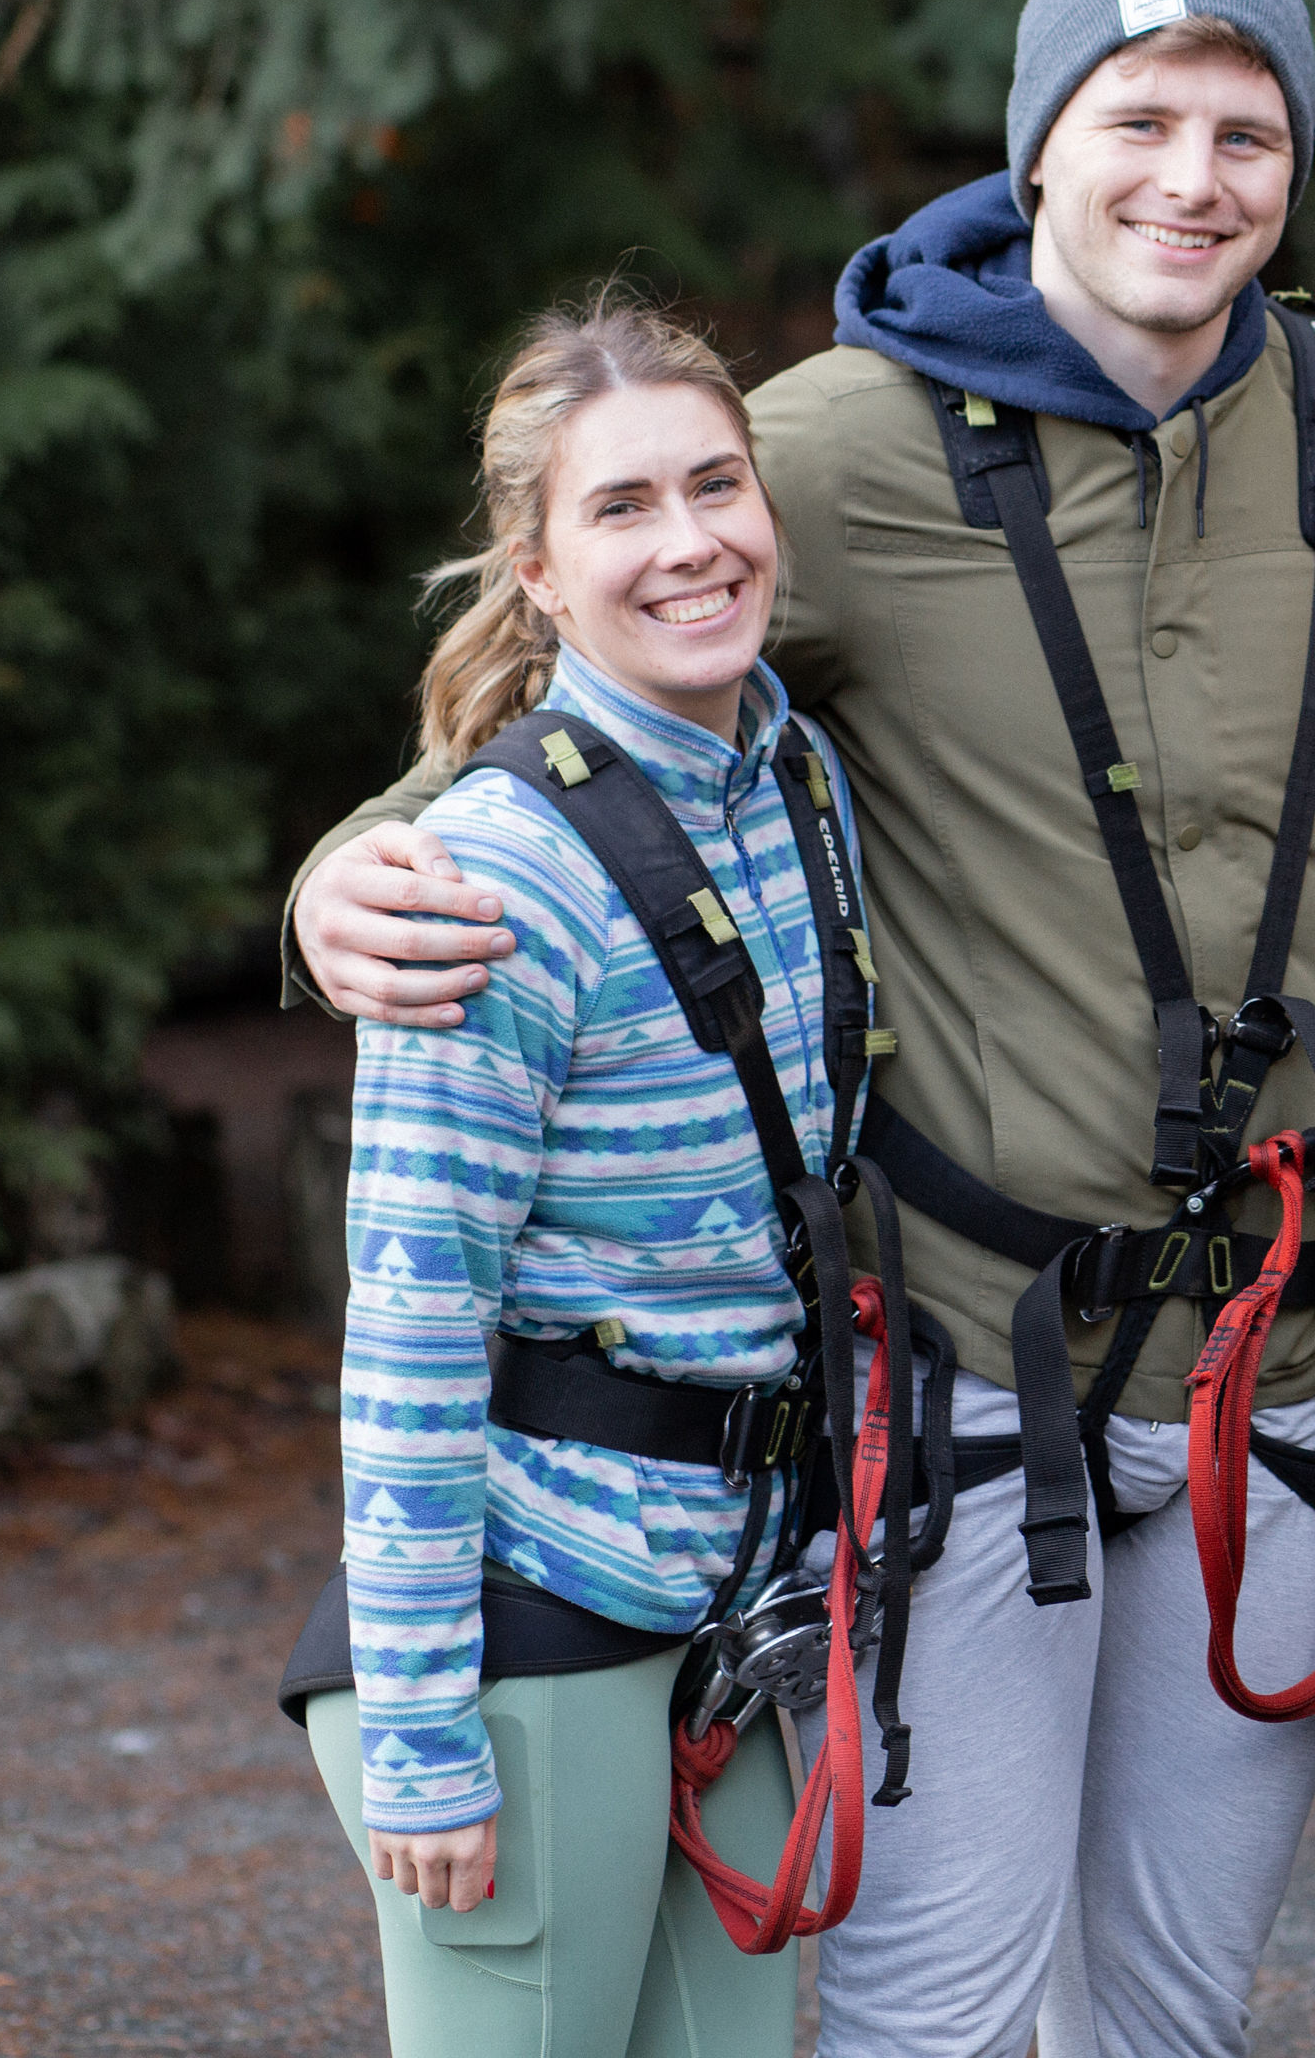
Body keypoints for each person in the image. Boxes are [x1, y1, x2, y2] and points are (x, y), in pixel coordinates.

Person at [285, 0, 1315, 2058]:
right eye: (1137, 122)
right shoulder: (832, 447)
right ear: (1037, 150)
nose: (1192, 178)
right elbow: (592, 661)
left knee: (1177, 2006)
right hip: (971, 1364)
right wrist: (343, 873)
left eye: (1246, 134)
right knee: (930, 2008)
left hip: (1280, 1354)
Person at [285, 300, 867, 2057]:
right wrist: (422, 1739)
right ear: (535, 572)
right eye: (623, 506)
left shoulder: (800, 780)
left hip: (724, 1595)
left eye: (717, 485)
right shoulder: (490, 882)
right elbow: (414, 1314)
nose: (691, 542)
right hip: (529, 1615)